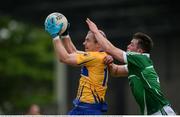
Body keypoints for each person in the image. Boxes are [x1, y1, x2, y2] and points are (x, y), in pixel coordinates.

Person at [86, 18, 176, 115]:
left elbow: (110, 48)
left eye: (132, 45)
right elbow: (115, 71)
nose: (128, 46)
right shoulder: (137, 66)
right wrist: (109, 62)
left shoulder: (141, 60)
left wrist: (95, 31)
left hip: (160, 113)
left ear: (140, 52)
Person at [44, 17, 109, 115]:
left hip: (89, 110)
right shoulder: (97, 56)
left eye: (88, 40)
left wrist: (55, 36)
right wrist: (65, 34)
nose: (84, 43)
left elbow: (64, 58)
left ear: (99, 45)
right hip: (83, 108)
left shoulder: (95, 57)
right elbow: (73, 52)